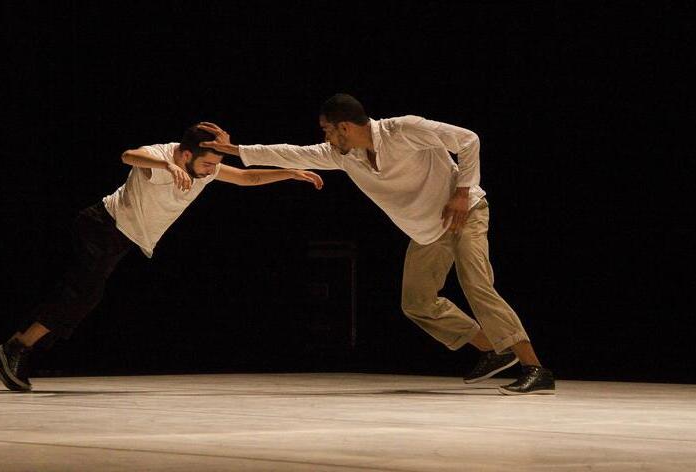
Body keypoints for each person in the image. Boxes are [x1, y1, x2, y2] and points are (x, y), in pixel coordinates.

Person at [198, 94, 555, 395]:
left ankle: (534, 368)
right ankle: (493, 349)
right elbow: (293, 153)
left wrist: (462, 192)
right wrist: (237, 149)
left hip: (464, 213)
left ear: (345, 127)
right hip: (428, 230)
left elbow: (469, 140)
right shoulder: (342, 155)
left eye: (326, 128)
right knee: (417, 302)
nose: (323, 135)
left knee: (476, 284)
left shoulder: (405, 130)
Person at [0, 124, 323, 391]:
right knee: (83, 292)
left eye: (214, 164)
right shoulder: (160, 155)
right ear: (184, 154)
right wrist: (162, 163)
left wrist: (288, 172)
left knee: (84, 294)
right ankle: (16, 348)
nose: (210, 171)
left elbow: (248, 177)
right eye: (205, 163)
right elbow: (128, 156)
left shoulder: (207, 167)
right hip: (102, 225)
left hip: (121, 238)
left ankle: (17, 348)